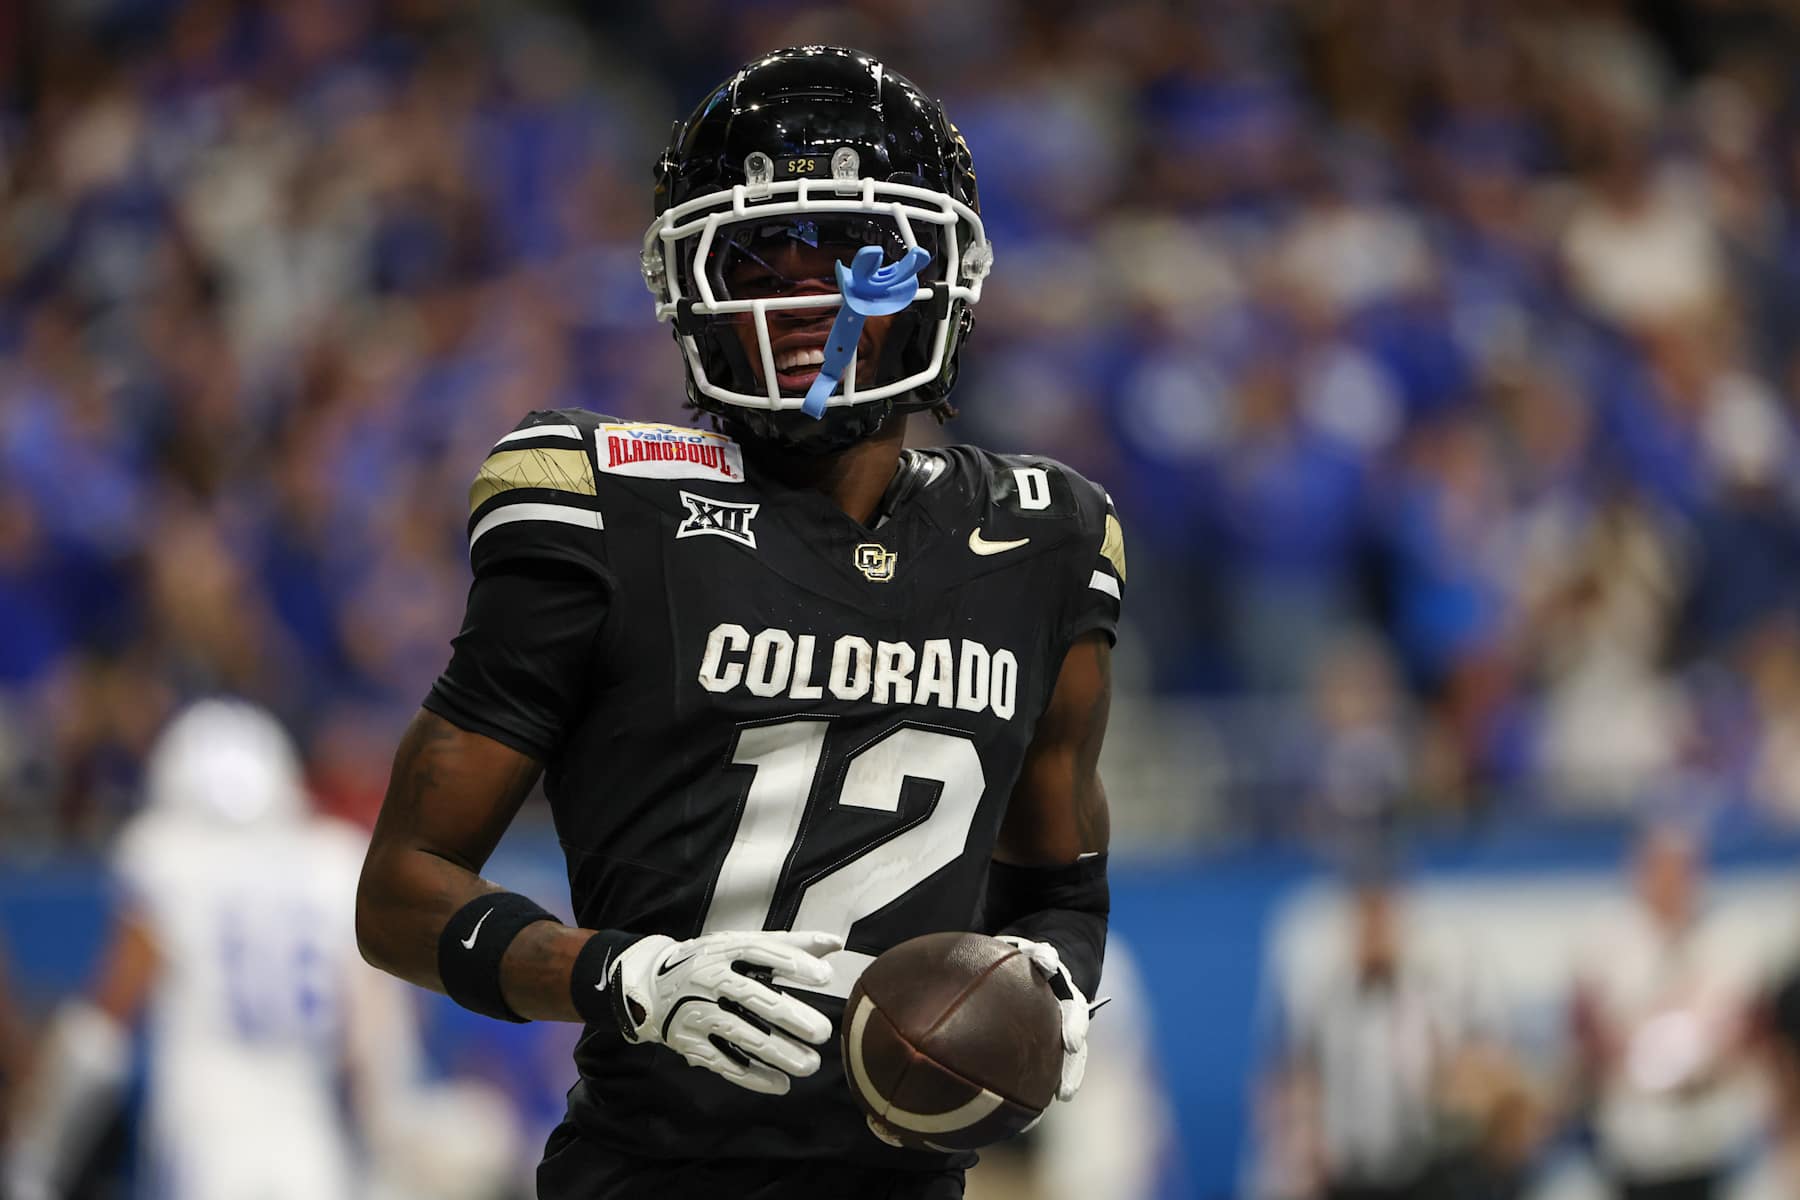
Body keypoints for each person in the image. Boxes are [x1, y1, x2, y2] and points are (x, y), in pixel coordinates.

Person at [355, 45, 1119, 1200]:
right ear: (689, 282)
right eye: (765, 257)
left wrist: (1047, 987)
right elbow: (401, 891)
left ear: (941, 277)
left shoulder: (1046, 538)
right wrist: (628, 977)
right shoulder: (604, 505)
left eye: (855, 254)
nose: (812, 296)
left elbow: (1060, 888)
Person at [3, 699, 517, 1200]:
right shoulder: (331, 861)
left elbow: (104, 1027)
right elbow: (375, 1041)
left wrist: (40, 1154)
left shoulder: (168, 856)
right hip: (308, 1142)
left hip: (206, 1133)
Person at [1570, 826, 1763, 1200]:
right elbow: (1588, 1031)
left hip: (1714, 1126)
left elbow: (1748, 1029)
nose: (1670, 882)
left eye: (1681, 869)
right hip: (1634, 1130)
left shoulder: (1732, 936)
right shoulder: (1604, 939)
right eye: (1660, 869)